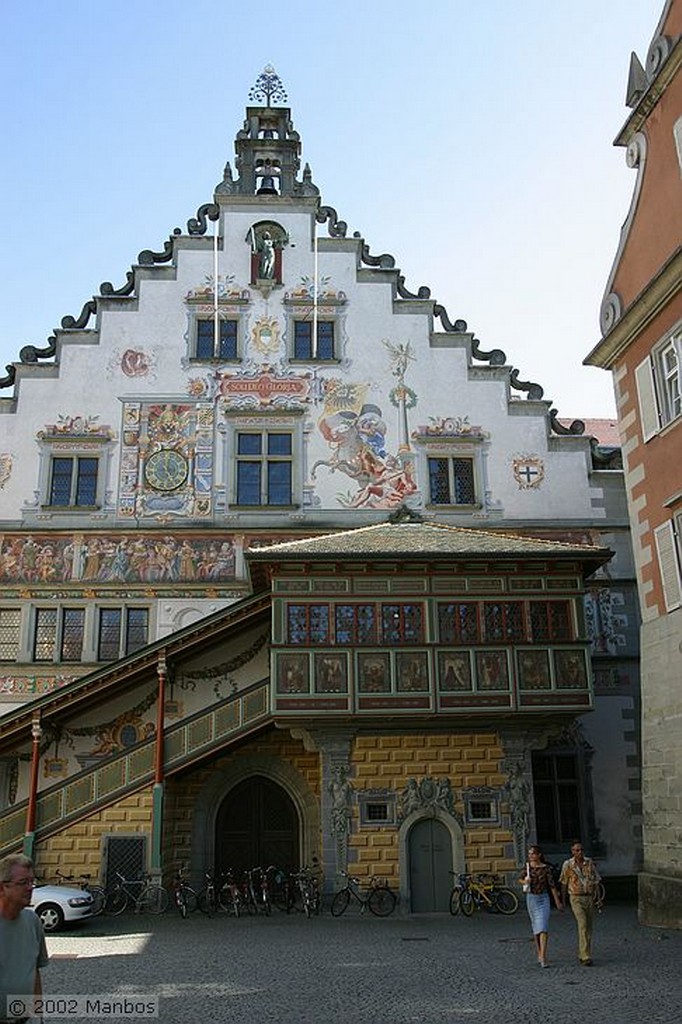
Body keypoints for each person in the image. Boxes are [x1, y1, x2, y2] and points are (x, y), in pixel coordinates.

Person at [0, 853, 48, 1023]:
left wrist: (38, 1015)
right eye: (22, 883)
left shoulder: (33, 921)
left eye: (31, 882)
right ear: (2, 887)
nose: (30, 888)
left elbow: (34, 970)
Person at [518, 845, 563, 968]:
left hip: (543, 898)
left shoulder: (546, 868)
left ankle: (543, 956)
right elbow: (520, 879)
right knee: (536, 928)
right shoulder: (527, 867)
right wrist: (525, 881)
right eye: (529, 854)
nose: (531, 856)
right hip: (531, 898)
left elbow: (552, 886)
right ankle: (539, 951)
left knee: (543, 926)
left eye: (533, 853)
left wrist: (557, 902)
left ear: (539, 855)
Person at [560, 839, 601, 966]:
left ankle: (584, 952)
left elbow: (596, 881)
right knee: (582, 923)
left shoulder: (589, 863)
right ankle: (585, 956)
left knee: (588, 926)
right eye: (577, 850)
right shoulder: (568, 864)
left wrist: (598, 898)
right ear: (572, 851)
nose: (580, 852)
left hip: (588, 897)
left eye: (581, 850)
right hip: (575, 897)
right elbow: (564, 882)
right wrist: (563, 900)